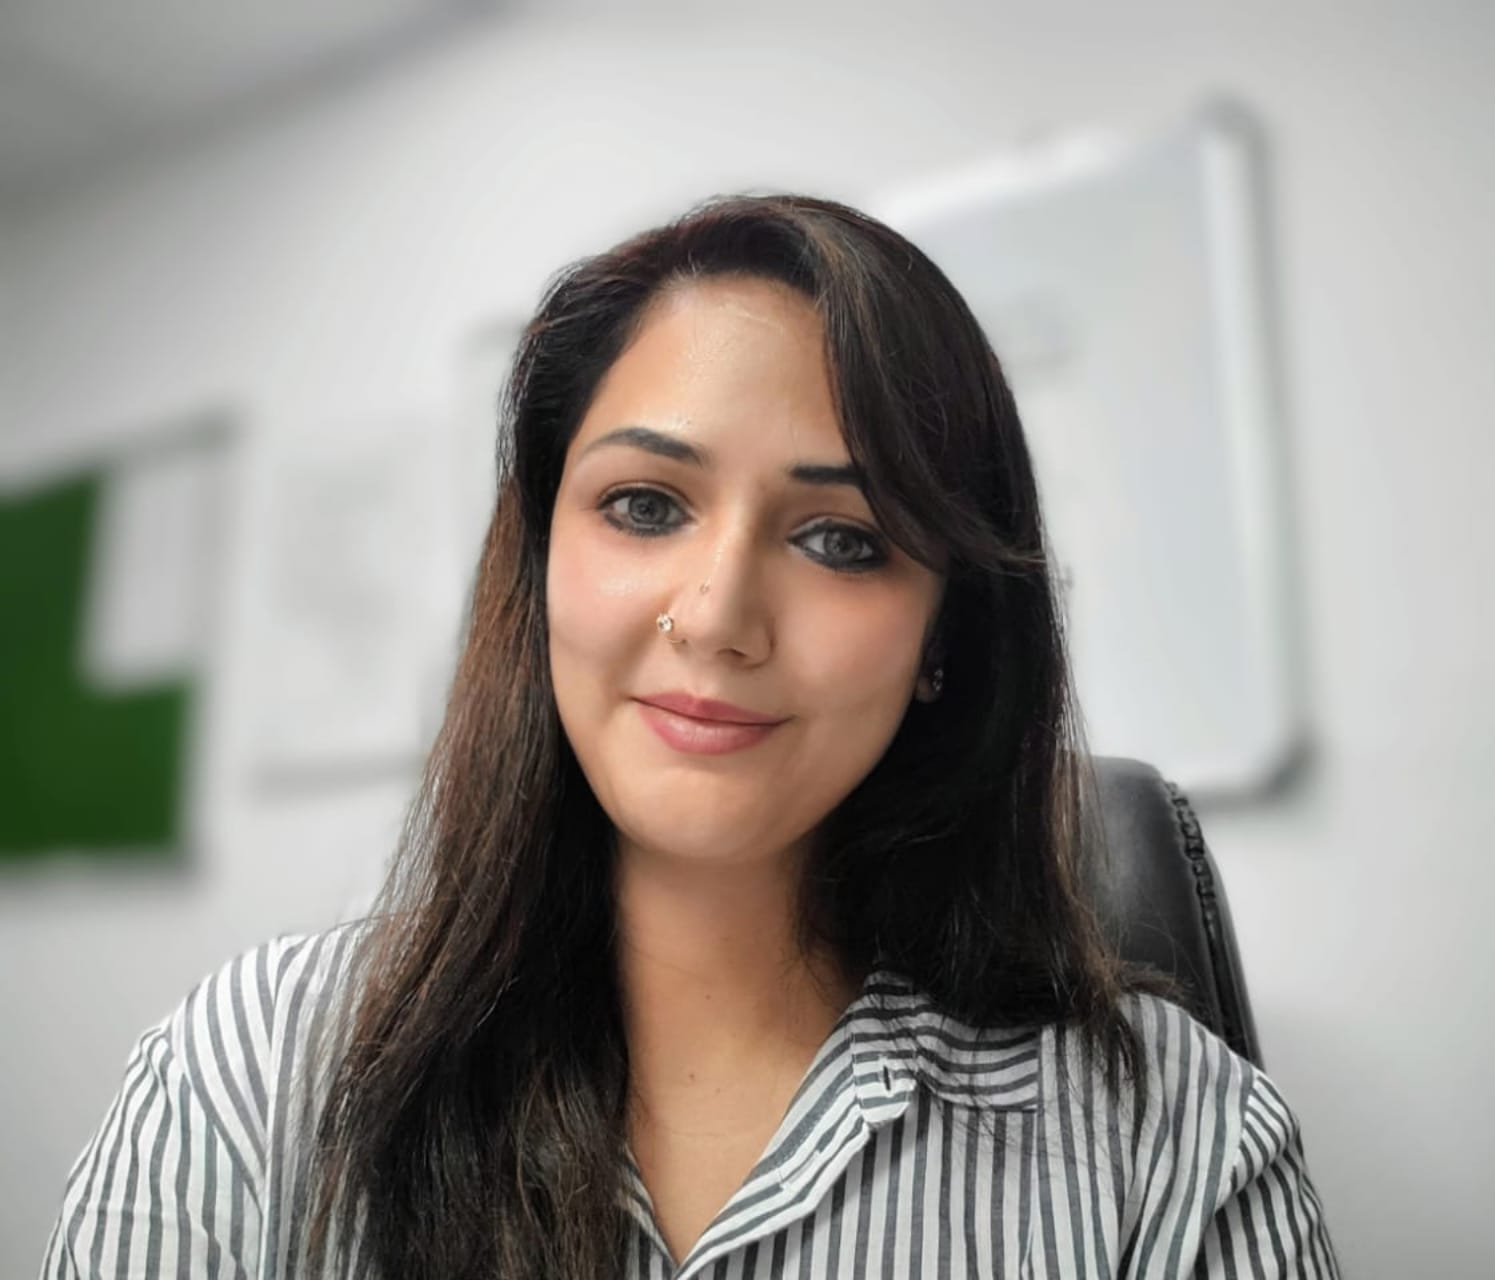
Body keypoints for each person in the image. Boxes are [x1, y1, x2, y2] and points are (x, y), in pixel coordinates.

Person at [40, 194, 1339, 1279]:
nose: (717, 618)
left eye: (842, 540)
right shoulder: (260, 1069)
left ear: (944, 635)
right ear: (539, 563)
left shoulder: (1173, 1144)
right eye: (646, 506)